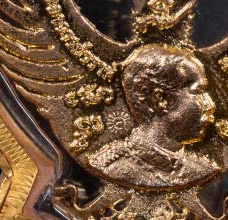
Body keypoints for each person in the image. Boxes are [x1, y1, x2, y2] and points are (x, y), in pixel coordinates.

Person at [88, 44, 217, 188]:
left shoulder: (202, 170)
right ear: (161, 100)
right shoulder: (112, 169)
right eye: (198, 92)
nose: (210, 105)